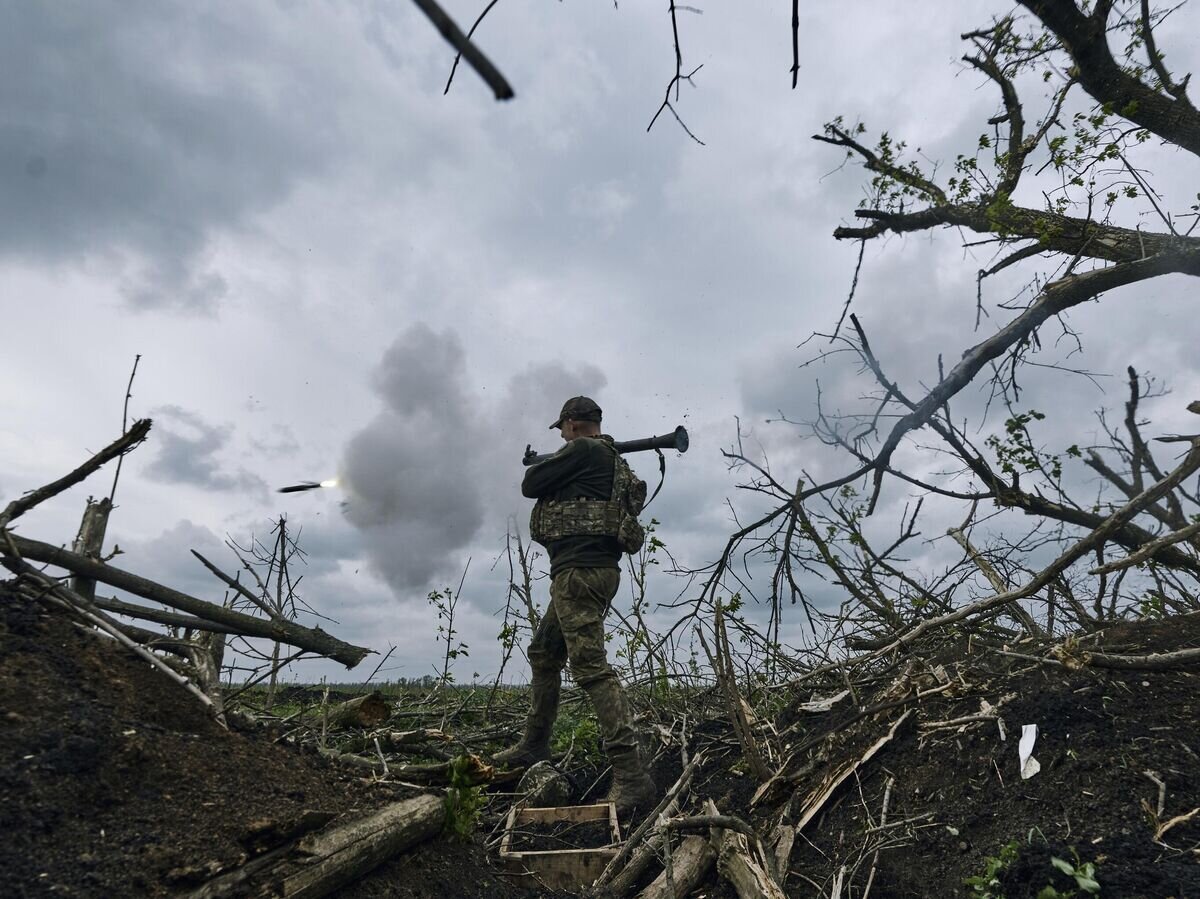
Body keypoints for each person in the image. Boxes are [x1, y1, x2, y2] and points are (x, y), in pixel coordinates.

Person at [494, 396, 657, 816]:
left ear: (570, 423)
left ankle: (632, 776)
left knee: (590, 668)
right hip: (589, 572)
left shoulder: (583, 450)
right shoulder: (609, 458)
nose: (563, 435)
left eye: (563, 429)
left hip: (579, 574)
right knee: (545, 654)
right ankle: (534, 745)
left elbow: (531, 484)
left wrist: (554, 459)